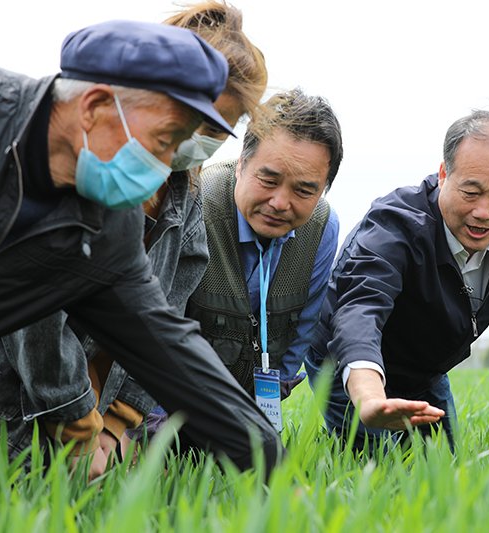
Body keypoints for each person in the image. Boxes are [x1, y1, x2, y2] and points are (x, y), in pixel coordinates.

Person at [0, 19, 282, 485]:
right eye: (162, 143)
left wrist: (267, 459)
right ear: (94, 107)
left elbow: (167, 346)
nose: (163, 169)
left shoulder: (110, 229)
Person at [306, 110, 489, 455]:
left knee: (441, 468)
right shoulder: (395, 225)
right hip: (349, 362)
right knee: (377, 465)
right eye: (471, 191)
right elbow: (360, 309)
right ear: (443, 175)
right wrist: (369, 397)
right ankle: (315, 459)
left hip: (424, 370)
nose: (484, 212)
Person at [127, 87, 343, 446]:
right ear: (242, 163)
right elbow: (154, 327)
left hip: (245, 418)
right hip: (163, 414)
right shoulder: (194, 204)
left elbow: (301, 333)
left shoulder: (322, 228)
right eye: (269, 180)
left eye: (304, 190)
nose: (280, 202)